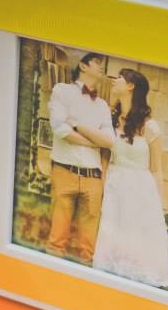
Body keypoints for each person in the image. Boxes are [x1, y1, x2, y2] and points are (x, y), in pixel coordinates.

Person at [71, 68, 168, 288]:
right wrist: (102, 186)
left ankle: (135, 280)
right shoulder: (111, 120)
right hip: (115, 184)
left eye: (120, 77)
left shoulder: (150, 127)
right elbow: (105, 158)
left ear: (131, 86)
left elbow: (157, 170)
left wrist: (158, 204)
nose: (114, 80)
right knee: (112, 230)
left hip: (140, 188)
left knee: (135, 234)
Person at [46, 52, 116, 263]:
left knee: (89, 247)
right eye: (96, 62)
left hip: (93, 177)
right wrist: (94, 141)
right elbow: (60, 129)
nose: (102, 67)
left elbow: (109, 140)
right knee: (57, 239)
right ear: (83, 66)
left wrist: (77, 125)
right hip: (64, 171)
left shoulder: (102, 106)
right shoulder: (62, 91)